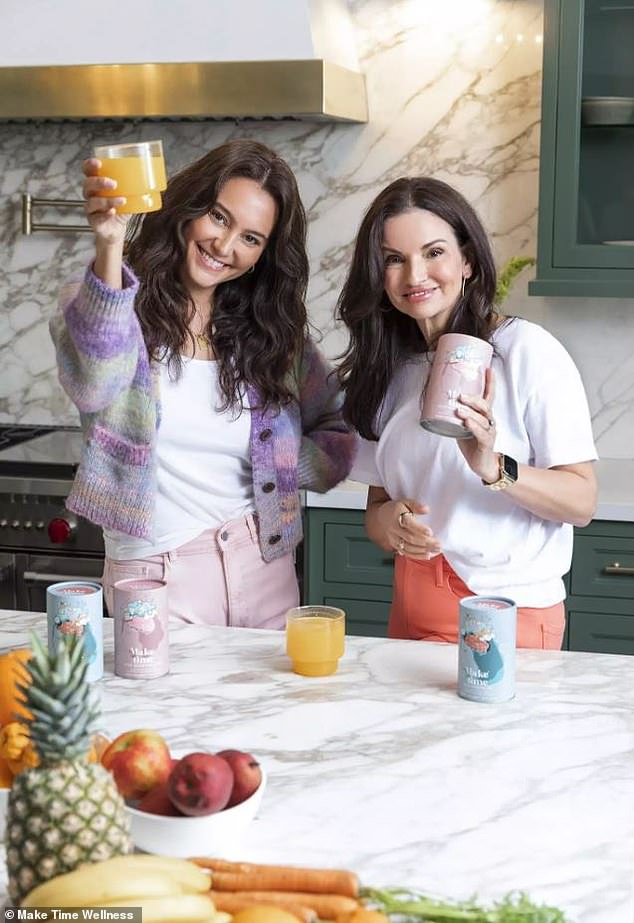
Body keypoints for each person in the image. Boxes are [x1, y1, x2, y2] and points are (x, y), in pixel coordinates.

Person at [50, 139, 355, 628]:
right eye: (218, 217)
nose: (226, 246)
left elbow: (335, 426)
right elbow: (94, 382)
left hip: (265, 563)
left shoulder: (272, 337)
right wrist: (109, 242)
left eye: (251, 238)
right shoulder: (102, 308)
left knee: (273, 706)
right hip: (155, 571)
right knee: (161, 705)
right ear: (187, 208)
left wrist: (278, 465)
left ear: (263, 255)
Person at [337, 177, 597, 649]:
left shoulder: (526, 351)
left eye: (434, 252)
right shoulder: (389, 369)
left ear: (468, 261)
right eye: (394, 259)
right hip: (411, 609)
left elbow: (581, 502)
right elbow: (376, 511)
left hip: (504, 615)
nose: (415, 275)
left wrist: (495, 468)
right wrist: (392, 524)